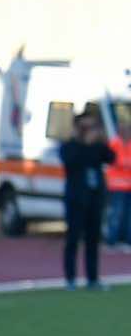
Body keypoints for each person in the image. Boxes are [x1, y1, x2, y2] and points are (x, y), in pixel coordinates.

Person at [60, 110, 114, 289]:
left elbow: (110, 158)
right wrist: (83, 143)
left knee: (93, 239)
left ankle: (92, 278)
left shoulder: (97, 146)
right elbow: (72, 161)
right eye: (85, 126)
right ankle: (71, 278)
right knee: (73, 239)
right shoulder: (70, 146)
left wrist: (101, 139)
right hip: (76, 199)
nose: (88, 130)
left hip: (94, 198)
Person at [108, 116, 131, 253]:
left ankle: (126, 241)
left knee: (128, 215)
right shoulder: (114, 143)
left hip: (129, 186)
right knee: (116, 214)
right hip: (117, 186)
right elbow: (114, 161)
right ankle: (112, 241)